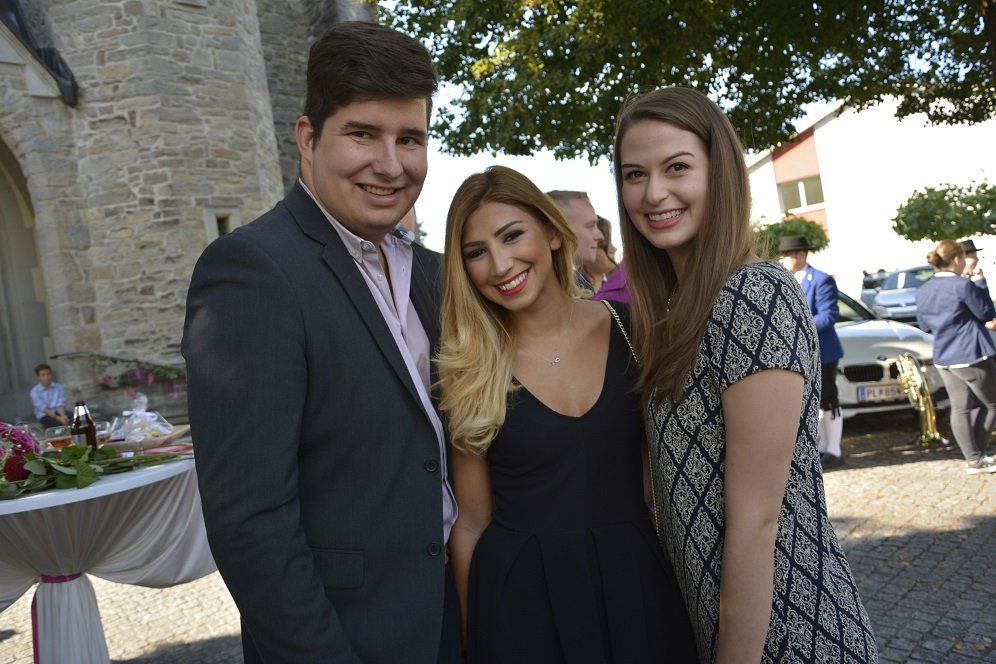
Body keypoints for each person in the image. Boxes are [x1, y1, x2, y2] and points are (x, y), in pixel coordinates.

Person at [182, 22, 460, 664]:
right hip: (351, 636)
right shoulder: (252, 269)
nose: (390, 164)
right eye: (363, 134)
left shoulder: (432, 272)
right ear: (308, 138)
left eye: (410, 139)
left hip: (456, 619)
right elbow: (252, 520)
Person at [614, 87, 878, 663]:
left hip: (786, 633)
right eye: (635, 175)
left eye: (677, 167)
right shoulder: (677, 308)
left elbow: (757, 521)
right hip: (719, 625)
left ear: (721, 174)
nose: (653, 193)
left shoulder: (754, 293)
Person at [439, 166, 696, 663]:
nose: (500, 264)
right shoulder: (470, 366)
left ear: (553, 234)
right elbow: (470, 523)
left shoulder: (634, 330)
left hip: (635, 586)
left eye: (512, 236)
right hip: (521, 607)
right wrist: (474, 639)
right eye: (476, 252)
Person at [916, 241, 996, 474]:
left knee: (960, 408)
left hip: (944, 356)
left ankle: (973, 459)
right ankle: (977, 457)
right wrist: (979, 283)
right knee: (992, 404)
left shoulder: (925, 289)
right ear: (957, 259)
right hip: (971, 354)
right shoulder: (962, 285)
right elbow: (986, 313)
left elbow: (924, 325)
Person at [778, 235, 846, 469]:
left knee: (828, 399)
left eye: (786, 255)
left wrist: (795, 327)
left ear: (800, 255)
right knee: (809, 402)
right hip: (797, 353)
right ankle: (820, 447)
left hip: (824, 351)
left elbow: (829, 315)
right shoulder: (783, 280)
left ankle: (834, 449)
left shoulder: (820, 279)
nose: (782, 259)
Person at [545, 190, 604, 290]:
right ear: (556, 232)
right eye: (590, 226)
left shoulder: (582, 285)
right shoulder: (544, 289)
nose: (600, 236)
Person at [593, 216, 633, 304]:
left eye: (610, 241)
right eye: (604, 242)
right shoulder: (573, 295)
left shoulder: (616, 287)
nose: (614, 249)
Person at [29, 364, 68, 428]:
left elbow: (60, 404)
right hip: (45, 415)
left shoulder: (58, 387)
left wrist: (63, 416)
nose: (46, 377)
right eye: (43, 375)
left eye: (48, 374)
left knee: (76, 418)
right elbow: (43, 409)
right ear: (38, 377)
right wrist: (59, 418)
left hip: (59, 412)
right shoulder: (34, 392)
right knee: (58, 426)